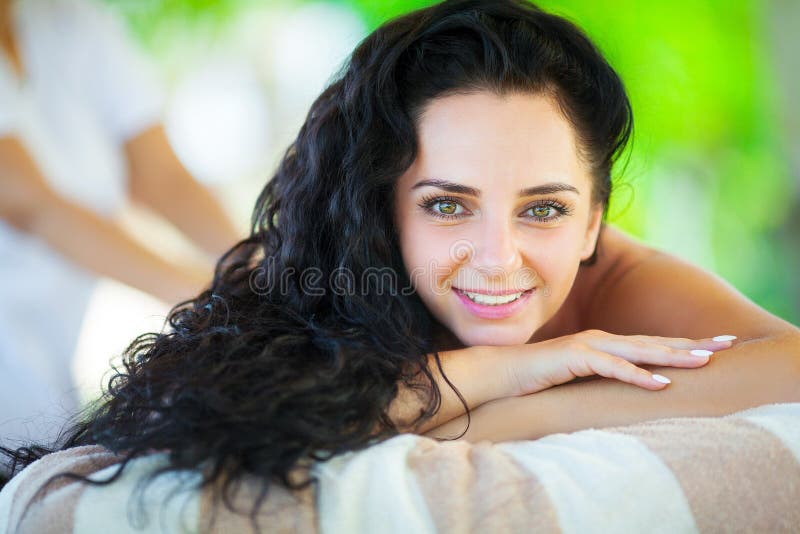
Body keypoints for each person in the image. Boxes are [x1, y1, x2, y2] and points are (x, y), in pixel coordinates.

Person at [2, 0, 799, 510]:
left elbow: (789, 365)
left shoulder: (617, 275)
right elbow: (241, 421)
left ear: (594, 222)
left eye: (545, 209)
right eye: (447, 204)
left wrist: (541, 408)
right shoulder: (344, 272)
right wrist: (512, 371)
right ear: (382, 209)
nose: (499, 258)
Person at [0, 0, 240, 447]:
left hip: (44, 377)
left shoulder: (73, 22)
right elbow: (30, 204)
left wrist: (263, 264)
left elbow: (162, 177)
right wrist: (221, 298)